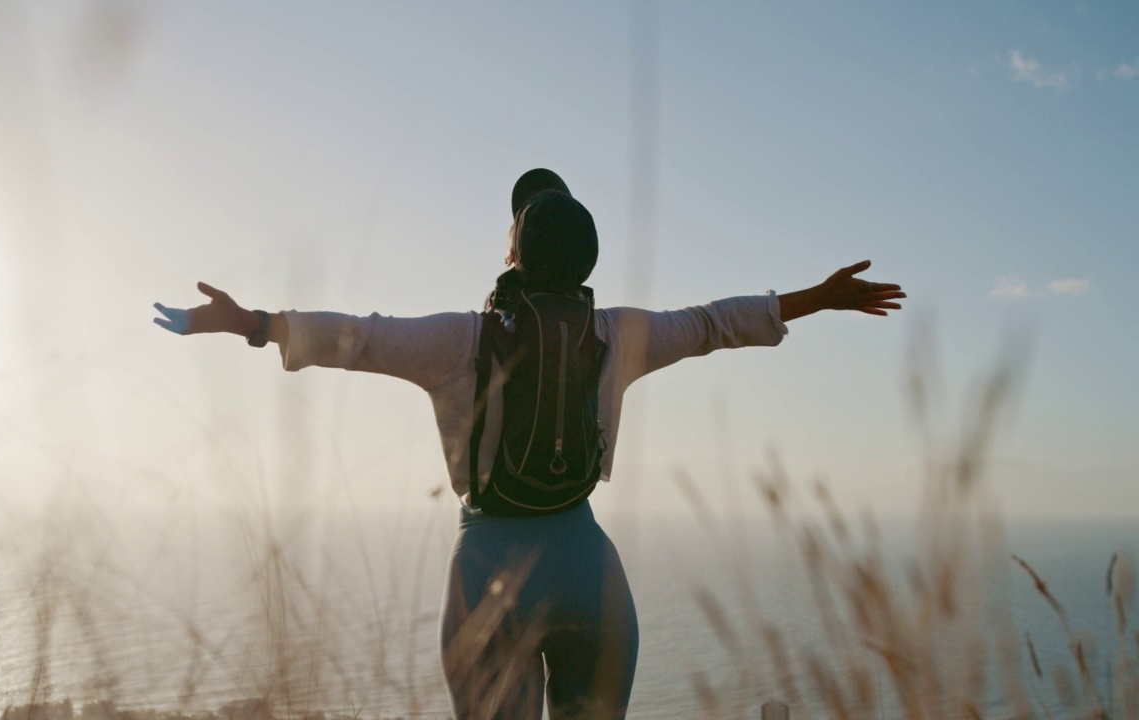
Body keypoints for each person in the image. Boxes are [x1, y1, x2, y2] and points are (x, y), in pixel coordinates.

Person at [153, 168, 906, 719]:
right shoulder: (615, 333)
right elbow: (715, 322)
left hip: (490, 575)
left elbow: (359, 339)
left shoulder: (462, 341)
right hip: (591, 574)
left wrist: (251, 323)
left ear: (513, 253)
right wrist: (821, 296)